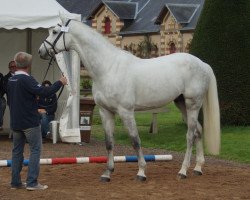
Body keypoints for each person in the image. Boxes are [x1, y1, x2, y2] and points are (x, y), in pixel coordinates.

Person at [7, 52, 67, 190]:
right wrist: (60, 82)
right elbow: (45, 92)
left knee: (17, 152)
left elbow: (15, 99)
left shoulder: (11, 80)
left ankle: (15, 183)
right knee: (35, 150)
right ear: (29, 65)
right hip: (29, 122)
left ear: (15, 64)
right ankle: (32, 182)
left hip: (16, 122)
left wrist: (32, 99)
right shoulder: (27, 80)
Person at [1, 61, 17, 132]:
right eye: (12, 67)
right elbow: (6, 89)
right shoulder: (5, 78)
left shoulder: (22, 75)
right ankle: (16, 135)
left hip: (24, 100)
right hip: (13, 101)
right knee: (15, 118)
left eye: (15, 66)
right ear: (9, 68)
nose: (13, 68)